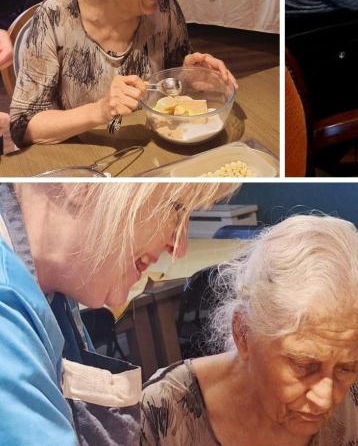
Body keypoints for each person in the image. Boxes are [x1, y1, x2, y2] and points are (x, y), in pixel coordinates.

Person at [0, 181, 237, 445]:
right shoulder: (5, 321)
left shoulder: (52, 294)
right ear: (78, 186)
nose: (179, 248)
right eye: (177, 208)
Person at [139, 215, 358, 445]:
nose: (325, 399)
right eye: (303, 365)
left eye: (346, 369)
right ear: (243, 333)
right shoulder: (165, 411)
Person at [7, 0, 236, 148]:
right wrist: (100, 110)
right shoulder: (54, 18)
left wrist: (190, 76)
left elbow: (170, 87)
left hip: (150, 146)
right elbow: (25, 127)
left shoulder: (163, 7)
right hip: (82, 155)